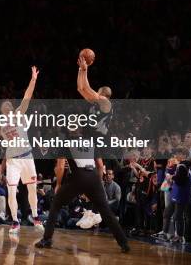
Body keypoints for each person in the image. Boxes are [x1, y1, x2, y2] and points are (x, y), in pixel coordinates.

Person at [35, 55, 129, 253]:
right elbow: (81, 89)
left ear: (104, 95)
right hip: (92, 165)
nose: (93, 95)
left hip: (93, 148)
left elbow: (88, 91)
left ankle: (47, 239)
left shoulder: (106, 104)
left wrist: (86, 70)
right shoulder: (94, 108)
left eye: (97, 94)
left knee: (56, 203)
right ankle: (123, 243)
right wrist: (81, 70)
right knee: (106, 211)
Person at [0, 66, 41, 233]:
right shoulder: (0, 123)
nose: (7, 105)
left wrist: (33, 79)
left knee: (32, 189)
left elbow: (27, 96)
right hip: (13, 160)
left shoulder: (19, 114)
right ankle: (15, 221)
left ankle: (35, 216)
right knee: (12, 190)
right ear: (2, 111)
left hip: (27, 157)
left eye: (9, 104)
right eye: (4, 106)